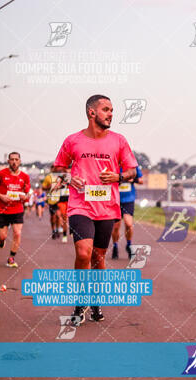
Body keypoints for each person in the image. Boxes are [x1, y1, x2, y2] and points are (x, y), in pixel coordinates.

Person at [54, 94, 137, 324]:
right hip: (80, 206)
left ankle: (96, 300)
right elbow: (58, 167)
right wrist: (69, 177)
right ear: (92, 113)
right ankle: (80, 303)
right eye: (106, 109)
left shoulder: (119, 140)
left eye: (112, 110)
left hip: (107, 208)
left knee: (98, 257)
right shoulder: (73, 140)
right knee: (83, 252)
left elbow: (132, 171)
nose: (111, 114)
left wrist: (118, 176)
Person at [0, 152, 31, 268]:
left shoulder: (25, 176)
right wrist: (1, 196)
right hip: (2, 210)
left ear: (20, 161)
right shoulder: (1, 174)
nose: (14, 162)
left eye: (16, 159)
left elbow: (27, 192)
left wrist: (25, 196)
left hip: (17, 209)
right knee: (2, 235)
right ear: (8, 161)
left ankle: (11, 258)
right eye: (12, 159)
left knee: (17, 233)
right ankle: (1, 240)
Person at [111, 165, 143, 259]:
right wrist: (117, 181)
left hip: (129, 200)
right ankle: (115, 246)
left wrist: (132, 180)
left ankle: (129, 244)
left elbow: (141, 180)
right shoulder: (114, 165)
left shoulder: (132, 166)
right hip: (115, 200)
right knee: (116, 227)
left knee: (128, 223)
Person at [42, 170, 61, 239]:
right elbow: (43, 187)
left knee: (58, 215)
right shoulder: (48, 177)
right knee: (53, 217)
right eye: (53, 168)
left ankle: (57, 230)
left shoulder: (61, 177)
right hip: (51, 200)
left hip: (59, 199)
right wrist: (48, 187)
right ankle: (53, 230)